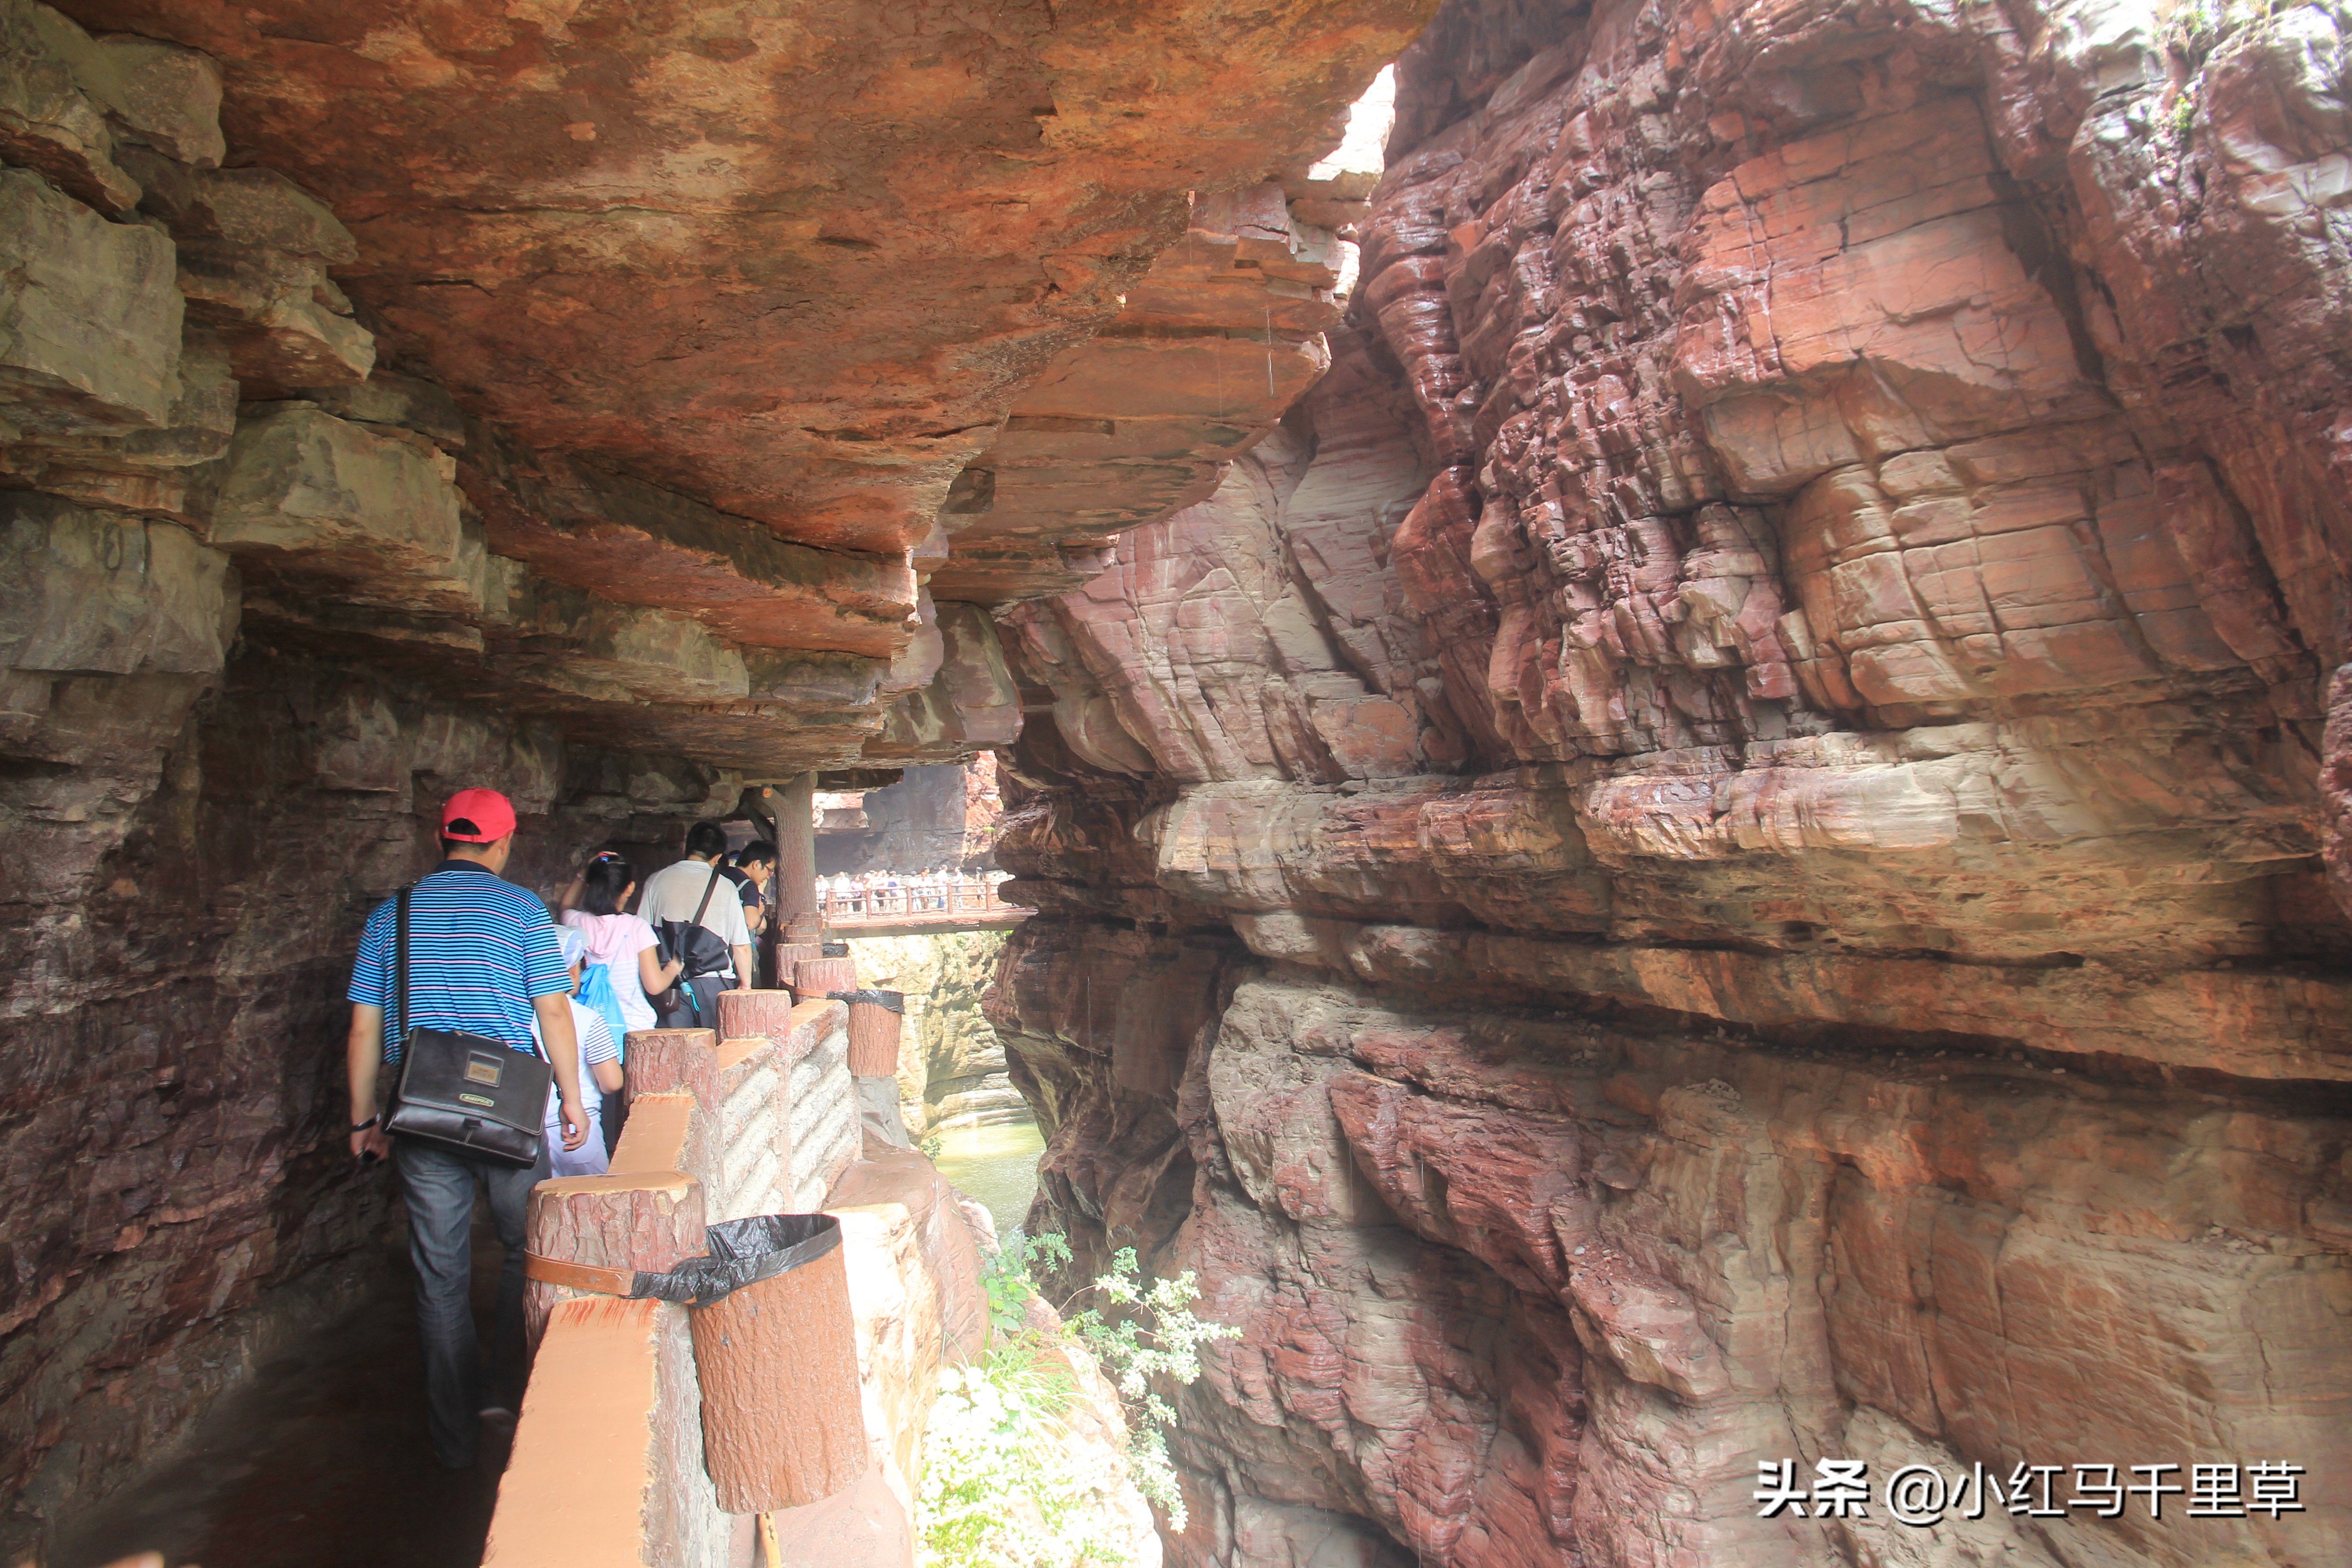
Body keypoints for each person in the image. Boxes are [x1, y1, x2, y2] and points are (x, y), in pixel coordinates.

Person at [344, 788, 589, 1470]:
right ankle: (505, 1394)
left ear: (441, 838)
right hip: (508, 1108)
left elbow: (364, 1026)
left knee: (440, 1274)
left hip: (421, 1111)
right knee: (525, 1249)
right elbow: (555, 1014)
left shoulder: (389, 917)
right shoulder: (521, 913)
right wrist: (572, 1100)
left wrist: (364, 1118)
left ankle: (452, 1440)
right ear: (503, 843)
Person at [555, 851, 679, 1153]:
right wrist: (673, 969)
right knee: (630, 1109)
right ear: (629, 889)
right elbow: (653, 985)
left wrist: (583, 875)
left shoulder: (576, 922)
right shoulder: (637, 928)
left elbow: (565, 906)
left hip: (589, 1031)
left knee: (597, 1099)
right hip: (632, 1032)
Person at [637, 819, 754, 1027]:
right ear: (718, 857)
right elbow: (741, 945)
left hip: (669, 981)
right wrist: (745, 984)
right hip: (714, 981)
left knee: (674, 1048)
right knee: (715, 1048)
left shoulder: (656, 880)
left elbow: (642, 934)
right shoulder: (726, 887)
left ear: (686, 847)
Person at [541, 926, 624, 1178]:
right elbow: (611, 1082)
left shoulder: (515, 1018)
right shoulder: (588, 1019)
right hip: (578, 1131)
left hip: (528, 1131)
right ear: (573, 970)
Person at [720, 839, 778, 938]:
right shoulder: (749, 886)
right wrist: (758, 911)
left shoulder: (722, 874)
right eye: (770, 871)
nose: (769, 876)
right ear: (757, 865)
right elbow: (751, 924)